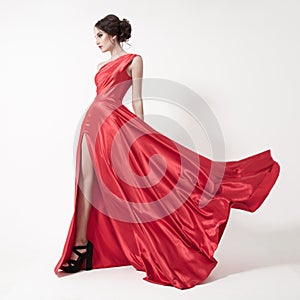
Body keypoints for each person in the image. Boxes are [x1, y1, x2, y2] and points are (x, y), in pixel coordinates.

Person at [54, 14, 280, 290]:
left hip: (114, 124)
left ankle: (163, 241)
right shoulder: (101, 64)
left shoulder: (133, 60)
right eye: (95, 37)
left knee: (137, 184)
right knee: (86, 183)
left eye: (99, 35)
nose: (96, 42)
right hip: (92, 122)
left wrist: (142, 132)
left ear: (112, 35)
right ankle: (81, 246)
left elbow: (136, 98)